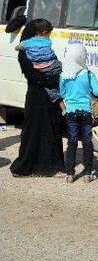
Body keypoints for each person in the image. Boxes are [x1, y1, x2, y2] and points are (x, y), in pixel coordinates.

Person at [10, 19, 65, 177]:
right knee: (33, 129)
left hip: (48, 96)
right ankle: (27, 166)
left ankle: (52, 165)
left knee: (52, 128)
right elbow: (31, 74)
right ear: (40, 33)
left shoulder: (45, 47)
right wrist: (49, 80)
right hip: (36, 94)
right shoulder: (25, 51)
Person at [60, 43, 98, 183]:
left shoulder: (64, 75)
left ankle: (70, 174)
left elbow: (62, 93)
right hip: (86, 112)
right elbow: (97, 92)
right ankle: (88, 173)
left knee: (71, 142)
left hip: (71, 112)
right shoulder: (88, 74)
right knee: (87, 142)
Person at [15, 20, 63, 109]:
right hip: (39, 96)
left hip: (37, 96)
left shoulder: (26, 47)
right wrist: (50, 80)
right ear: (44, 33)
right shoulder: (27, 51)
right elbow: (32, 75)